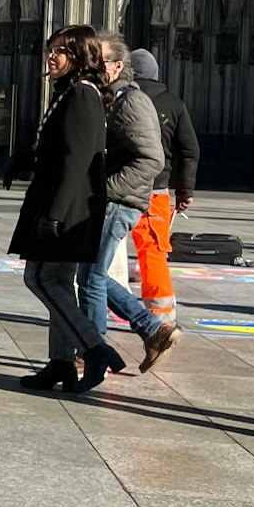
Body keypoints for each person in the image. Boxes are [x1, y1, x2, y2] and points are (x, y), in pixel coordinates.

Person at [10, 25, 127, 394]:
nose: (51, 55)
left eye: (61, 49)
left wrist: (55, 214)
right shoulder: (69, 92)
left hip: (69, 208)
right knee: (54, 280)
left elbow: (77, 159)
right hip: (58, 200)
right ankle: (61, 362)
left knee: (41, 279)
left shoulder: (82, 93)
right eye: (50, 48)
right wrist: (24, 160)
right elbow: (59, 149)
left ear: (80, 54)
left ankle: (94, 348)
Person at [92, 37, 174, 371]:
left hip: (120, 202)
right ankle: (153, 329)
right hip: (115, 200)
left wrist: (106, 190)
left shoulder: (132, 101)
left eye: (99, 61)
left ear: (117, 66)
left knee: (91, 279)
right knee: (91, 274)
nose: (94, 67)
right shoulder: (112, 100)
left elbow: (153, 159)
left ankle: (91, 351)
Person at [128, 48, 198, 331]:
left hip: (115, 185)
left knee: (106, 251)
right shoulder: (174, 104)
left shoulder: (118, 97)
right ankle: (162, 317)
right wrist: (185, 191)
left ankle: (100, 308)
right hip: (155, 189)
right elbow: (189, 150)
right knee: (152, 250)